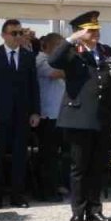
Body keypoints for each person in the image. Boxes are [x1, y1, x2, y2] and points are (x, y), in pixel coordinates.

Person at [50, 12, 111, 221]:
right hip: (78, 117)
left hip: (102, 116)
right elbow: (54, 61)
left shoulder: (108, 52)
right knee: (79, 167)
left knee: (97, 166)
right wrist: (71, 40)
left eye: (96, 30)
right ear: (80, 32)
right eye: (90, 30)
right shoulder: (72, 52)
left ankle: (95, 209)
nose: (95, 34)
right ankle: (78, 210)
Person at [0, 19, 40, 208]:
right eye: (14, 33)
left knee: (19, 158)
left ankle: (17, 196)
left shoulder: (29, 56)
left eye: (20, 33)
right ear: (4, 35)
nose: (18, 37)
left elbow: (34, 86)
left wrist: (36, 111)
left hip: (21, 115)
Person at [34, 32, 67, 201]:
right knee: (48, 156)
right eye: (58, 46)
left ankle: (57, 185)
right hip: (47, 115)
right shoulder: (41, 60)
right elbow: (56, 74)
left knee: (57, 155)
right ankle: (47, 191)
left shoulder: (55, 61)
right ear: (46, 46)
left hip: (58, 115)